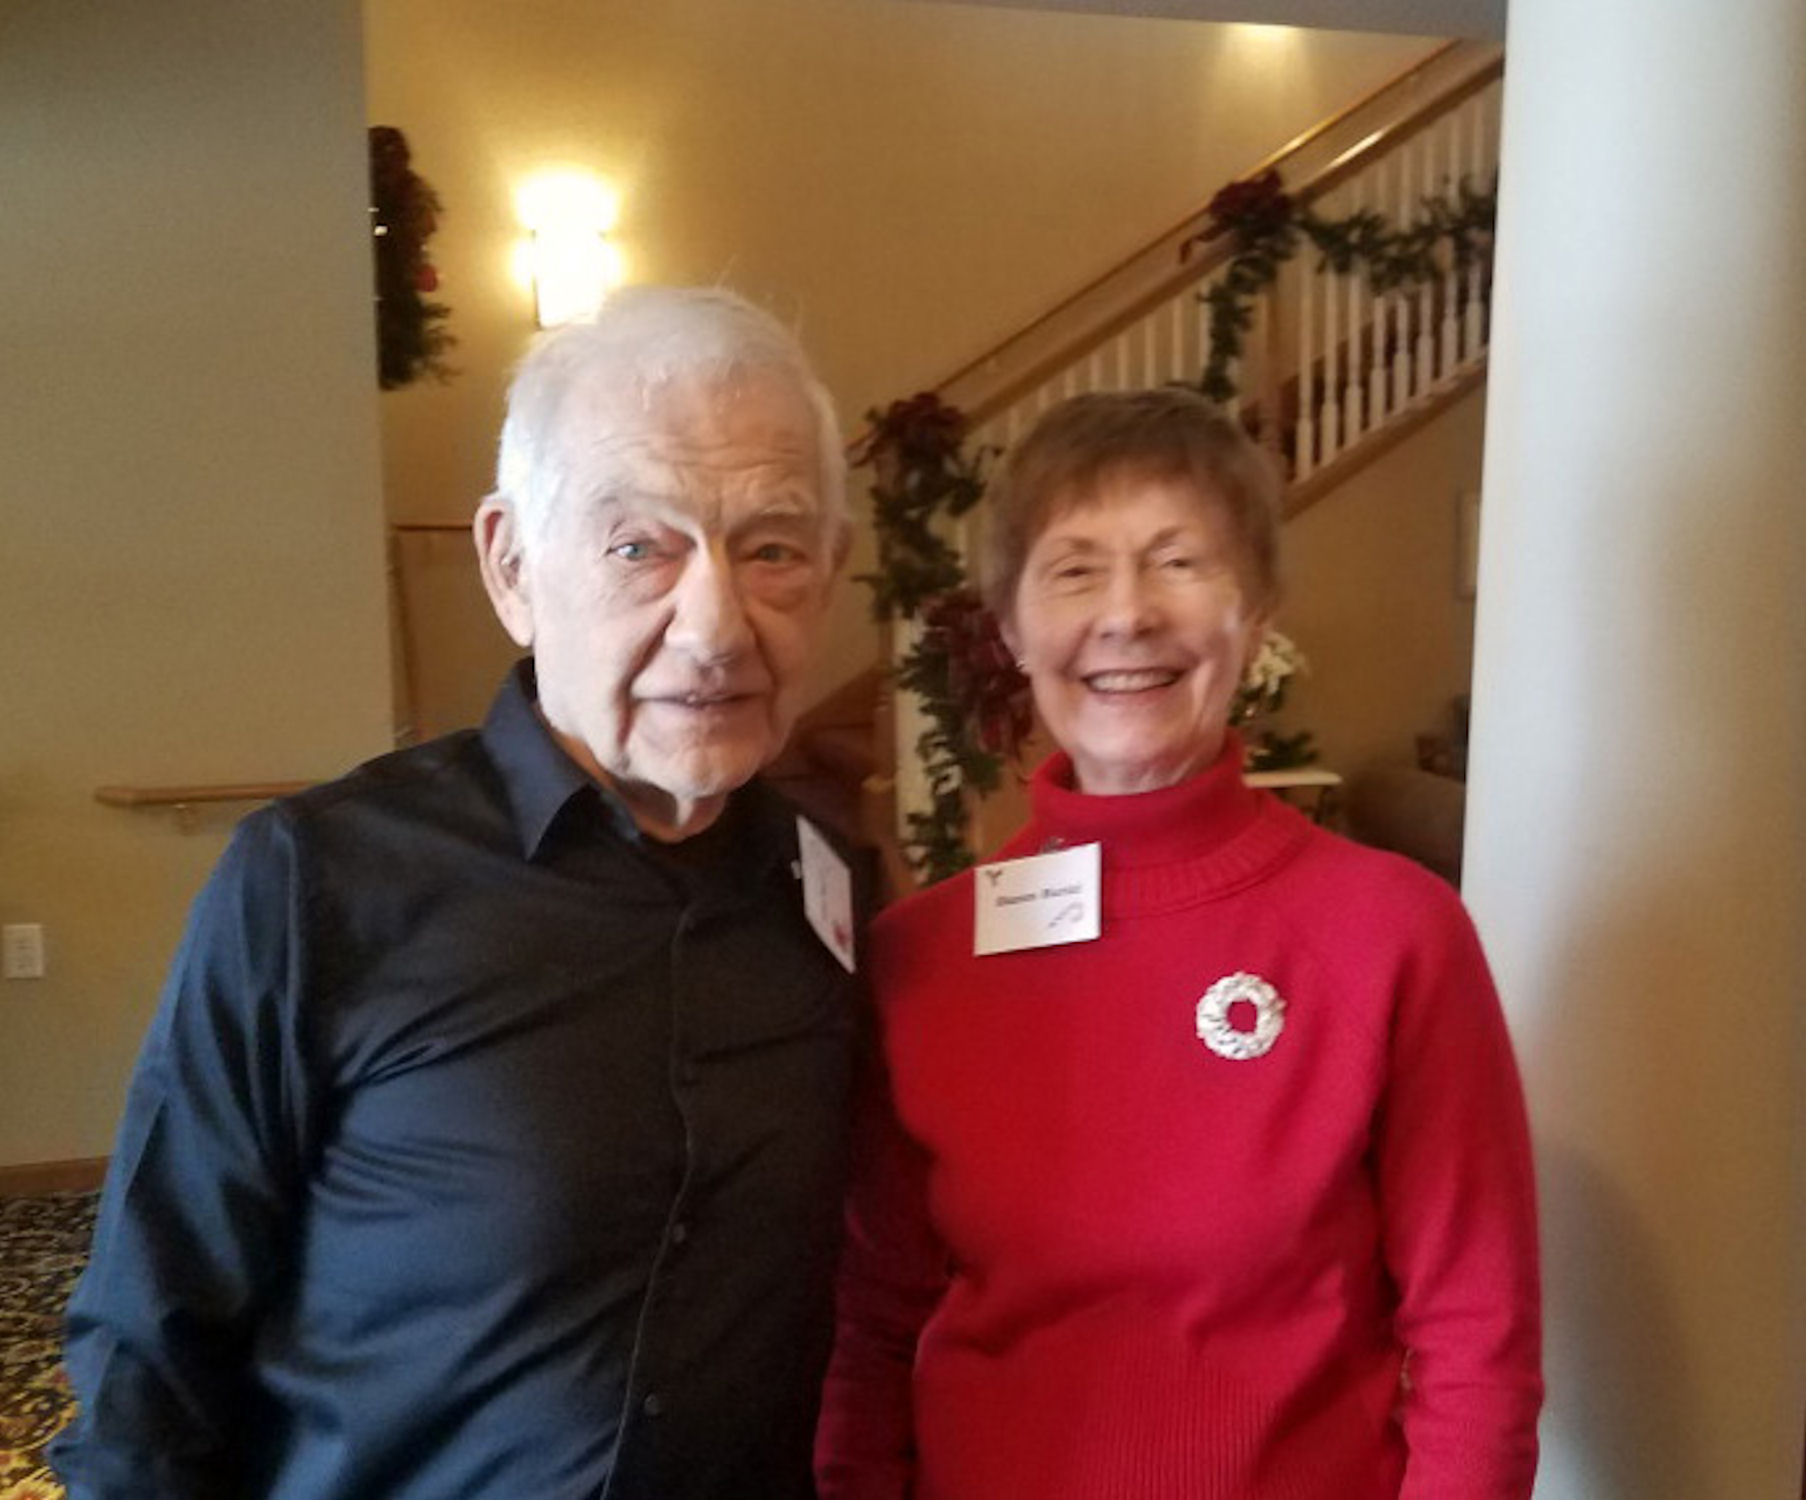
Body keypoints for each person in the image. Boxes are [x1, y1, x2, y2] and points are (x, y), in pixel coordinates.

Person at [55, 287, 862, 1500]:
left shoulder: (835, 884)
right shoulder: (322, 882)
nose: (715, 628)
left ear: (831, 572)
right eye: (638, 547)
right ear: (512, 565)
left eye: (773, 550)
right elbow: (151, 1350)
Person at [815, 388, 1541, 1500]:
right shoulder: (920, 958)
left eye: (1178, 561)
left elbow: (1477, 1340)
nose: (1127, 614)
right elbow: (868, 1330)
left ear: (1256, 610)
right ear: (1009, 628)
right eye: (1074, 570)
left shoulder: (1392, 933)